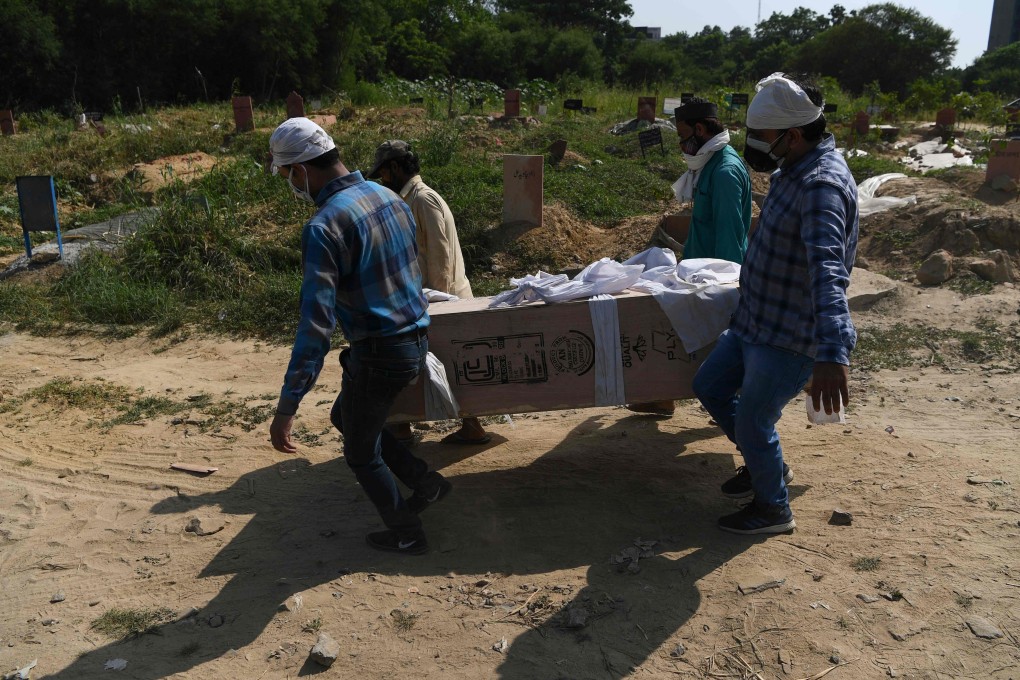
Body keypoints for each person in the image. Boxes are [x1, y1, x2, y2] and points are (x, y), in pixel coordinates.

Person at [267, 118, 451, 556]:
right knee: (345, 417)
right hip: (416, 340)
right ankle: (426, 482)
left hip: (380, 353)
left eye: (285, 175)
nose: (289, 185)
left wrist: (287, 407)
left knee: (360, 453)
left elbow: (315, 327)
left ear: (300, 170)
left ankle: (407, 532)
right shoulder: (388, 196)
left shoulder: (324, 227)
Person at [692, 73, 859, 534]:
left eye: (763, 137)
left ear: (794, 133)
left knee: (753, 418)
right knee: (710, 386)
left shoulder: (821, 186)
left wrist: (832, 353)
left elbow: (828, 272)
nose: (755, 145)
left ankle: (773, 509)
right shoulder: (793, 169)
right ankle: (764, 462)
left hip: (789, 335)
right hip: (755, 322)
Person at [628, 97, 752, 417]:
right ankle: (664, 395)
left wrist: (727, 292)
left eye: (684, 136)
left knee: (711, 344)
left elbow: (729, 239)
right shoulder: (710, 164)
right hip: (698, 270)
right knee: (677, 335)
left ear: (700, 128)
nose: (682, 144)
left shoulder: (724, 172)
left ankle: (730, 404)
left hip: (715, 278)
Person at [368, 139, 490, 445]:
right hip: (425, 299)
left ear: (395, 168)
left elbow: (441, 257)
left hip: (441, 298)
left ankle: (470, 426)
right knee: (425, 365)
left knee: (450, 365)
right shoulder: (408, 200)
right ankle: (402, 426)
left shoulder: (423, 200)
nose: (383, 180)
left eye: (383, 173)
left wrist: (438, 303)